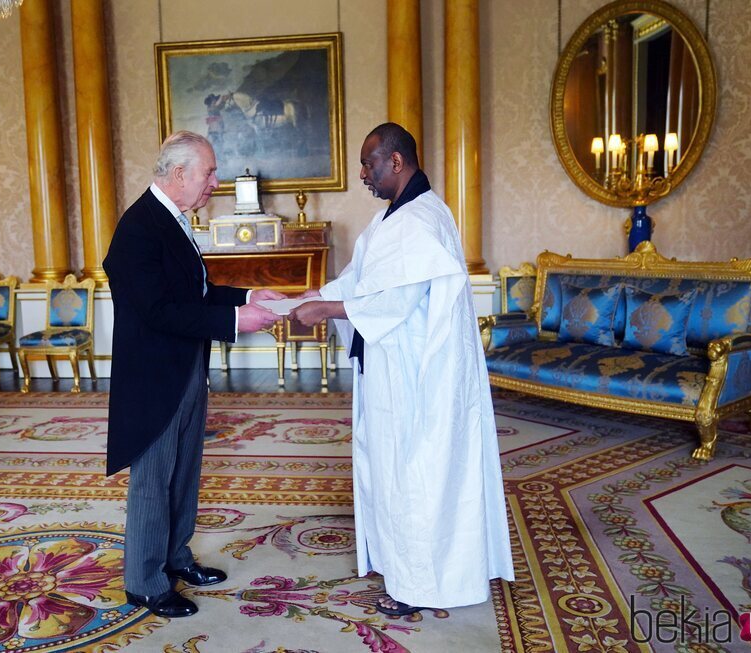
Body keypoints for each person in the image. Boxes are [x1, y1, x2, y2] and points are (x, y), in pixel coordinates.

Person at [289, 122, 514, 615]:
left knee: (415, 472)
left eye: (369, 164)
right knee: (389, 465)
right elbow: (358, 280)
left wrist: (323, 311)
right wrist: (305, 299)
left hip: (418, 375)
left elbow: (392, 301)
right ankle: (402, 570)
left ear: (396, 162)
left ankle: (420, 586)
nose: (363, 174)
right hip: (393, 366)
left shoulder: (419, 220)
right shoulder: (395, 216)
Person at [103, 131, 282, 618]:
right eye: (209, 172)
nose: (216, 182)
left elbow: (193, 293)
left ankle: (175, 559)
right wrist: (233, 323)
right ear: (179, 174)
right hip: (155, 379)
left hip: (184, 370)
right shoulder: (139, 228)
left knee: (183, 475)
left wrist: (246, 298)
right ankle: (143, 582)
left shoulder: (172, 220)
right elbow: (161, 311)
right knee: (152, 480)